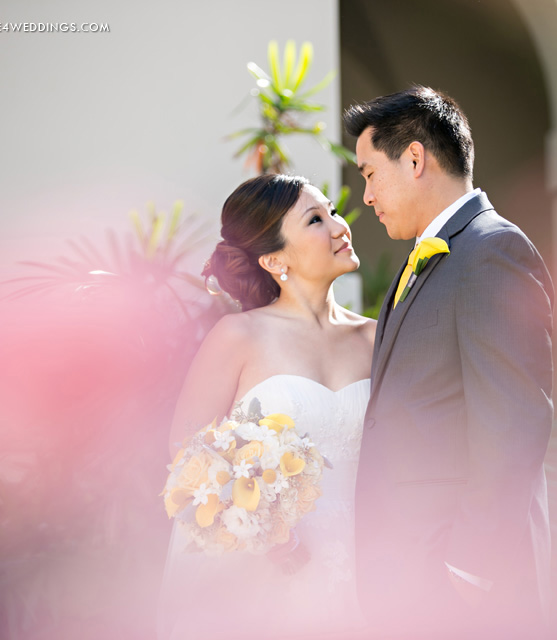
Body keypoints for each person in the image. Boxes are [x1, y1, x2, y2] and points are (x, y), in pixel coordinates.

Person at [344, 86, 554, 638]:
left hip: (460, 593)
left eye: (368, 173)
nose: (364, 195)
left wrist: (469, 571)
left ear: (414, 159)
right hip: (410, 583)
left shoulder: (492, 251)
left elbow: (515, 420)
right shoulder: (423, 259)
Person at [158, 174, 375, 639]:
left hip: (364, 567)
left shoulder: (379, 338)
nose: (340, 227)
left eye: (333, 212)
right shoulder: (239, 337)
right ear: (275, 259)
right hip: (260, 572)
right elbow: (187, 457)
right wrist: (262, 530)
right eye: (316, 220)